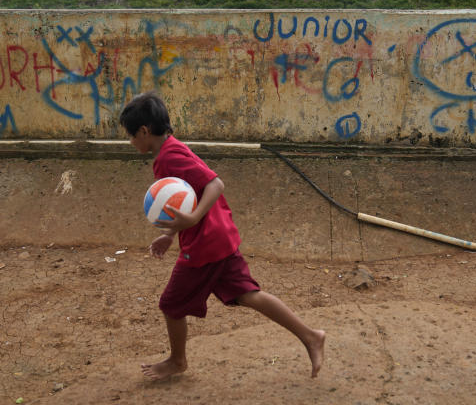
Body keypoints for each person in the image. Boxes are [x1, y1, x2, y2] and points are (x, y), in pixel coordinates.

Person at [119, 91, 325, 380]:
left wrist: (191, 218)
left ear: (144, 130)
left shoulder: (169, 158)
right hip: (219, 237)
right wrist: (170, 233)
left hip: (205, 246)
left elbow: (215, 184)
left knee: (170, 304)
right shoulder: (172, 150)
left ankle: (178, 361)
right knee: (248, 295)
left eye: (131, 136)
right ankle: (311, 336)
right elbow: (189, 199)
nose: (130, 142)